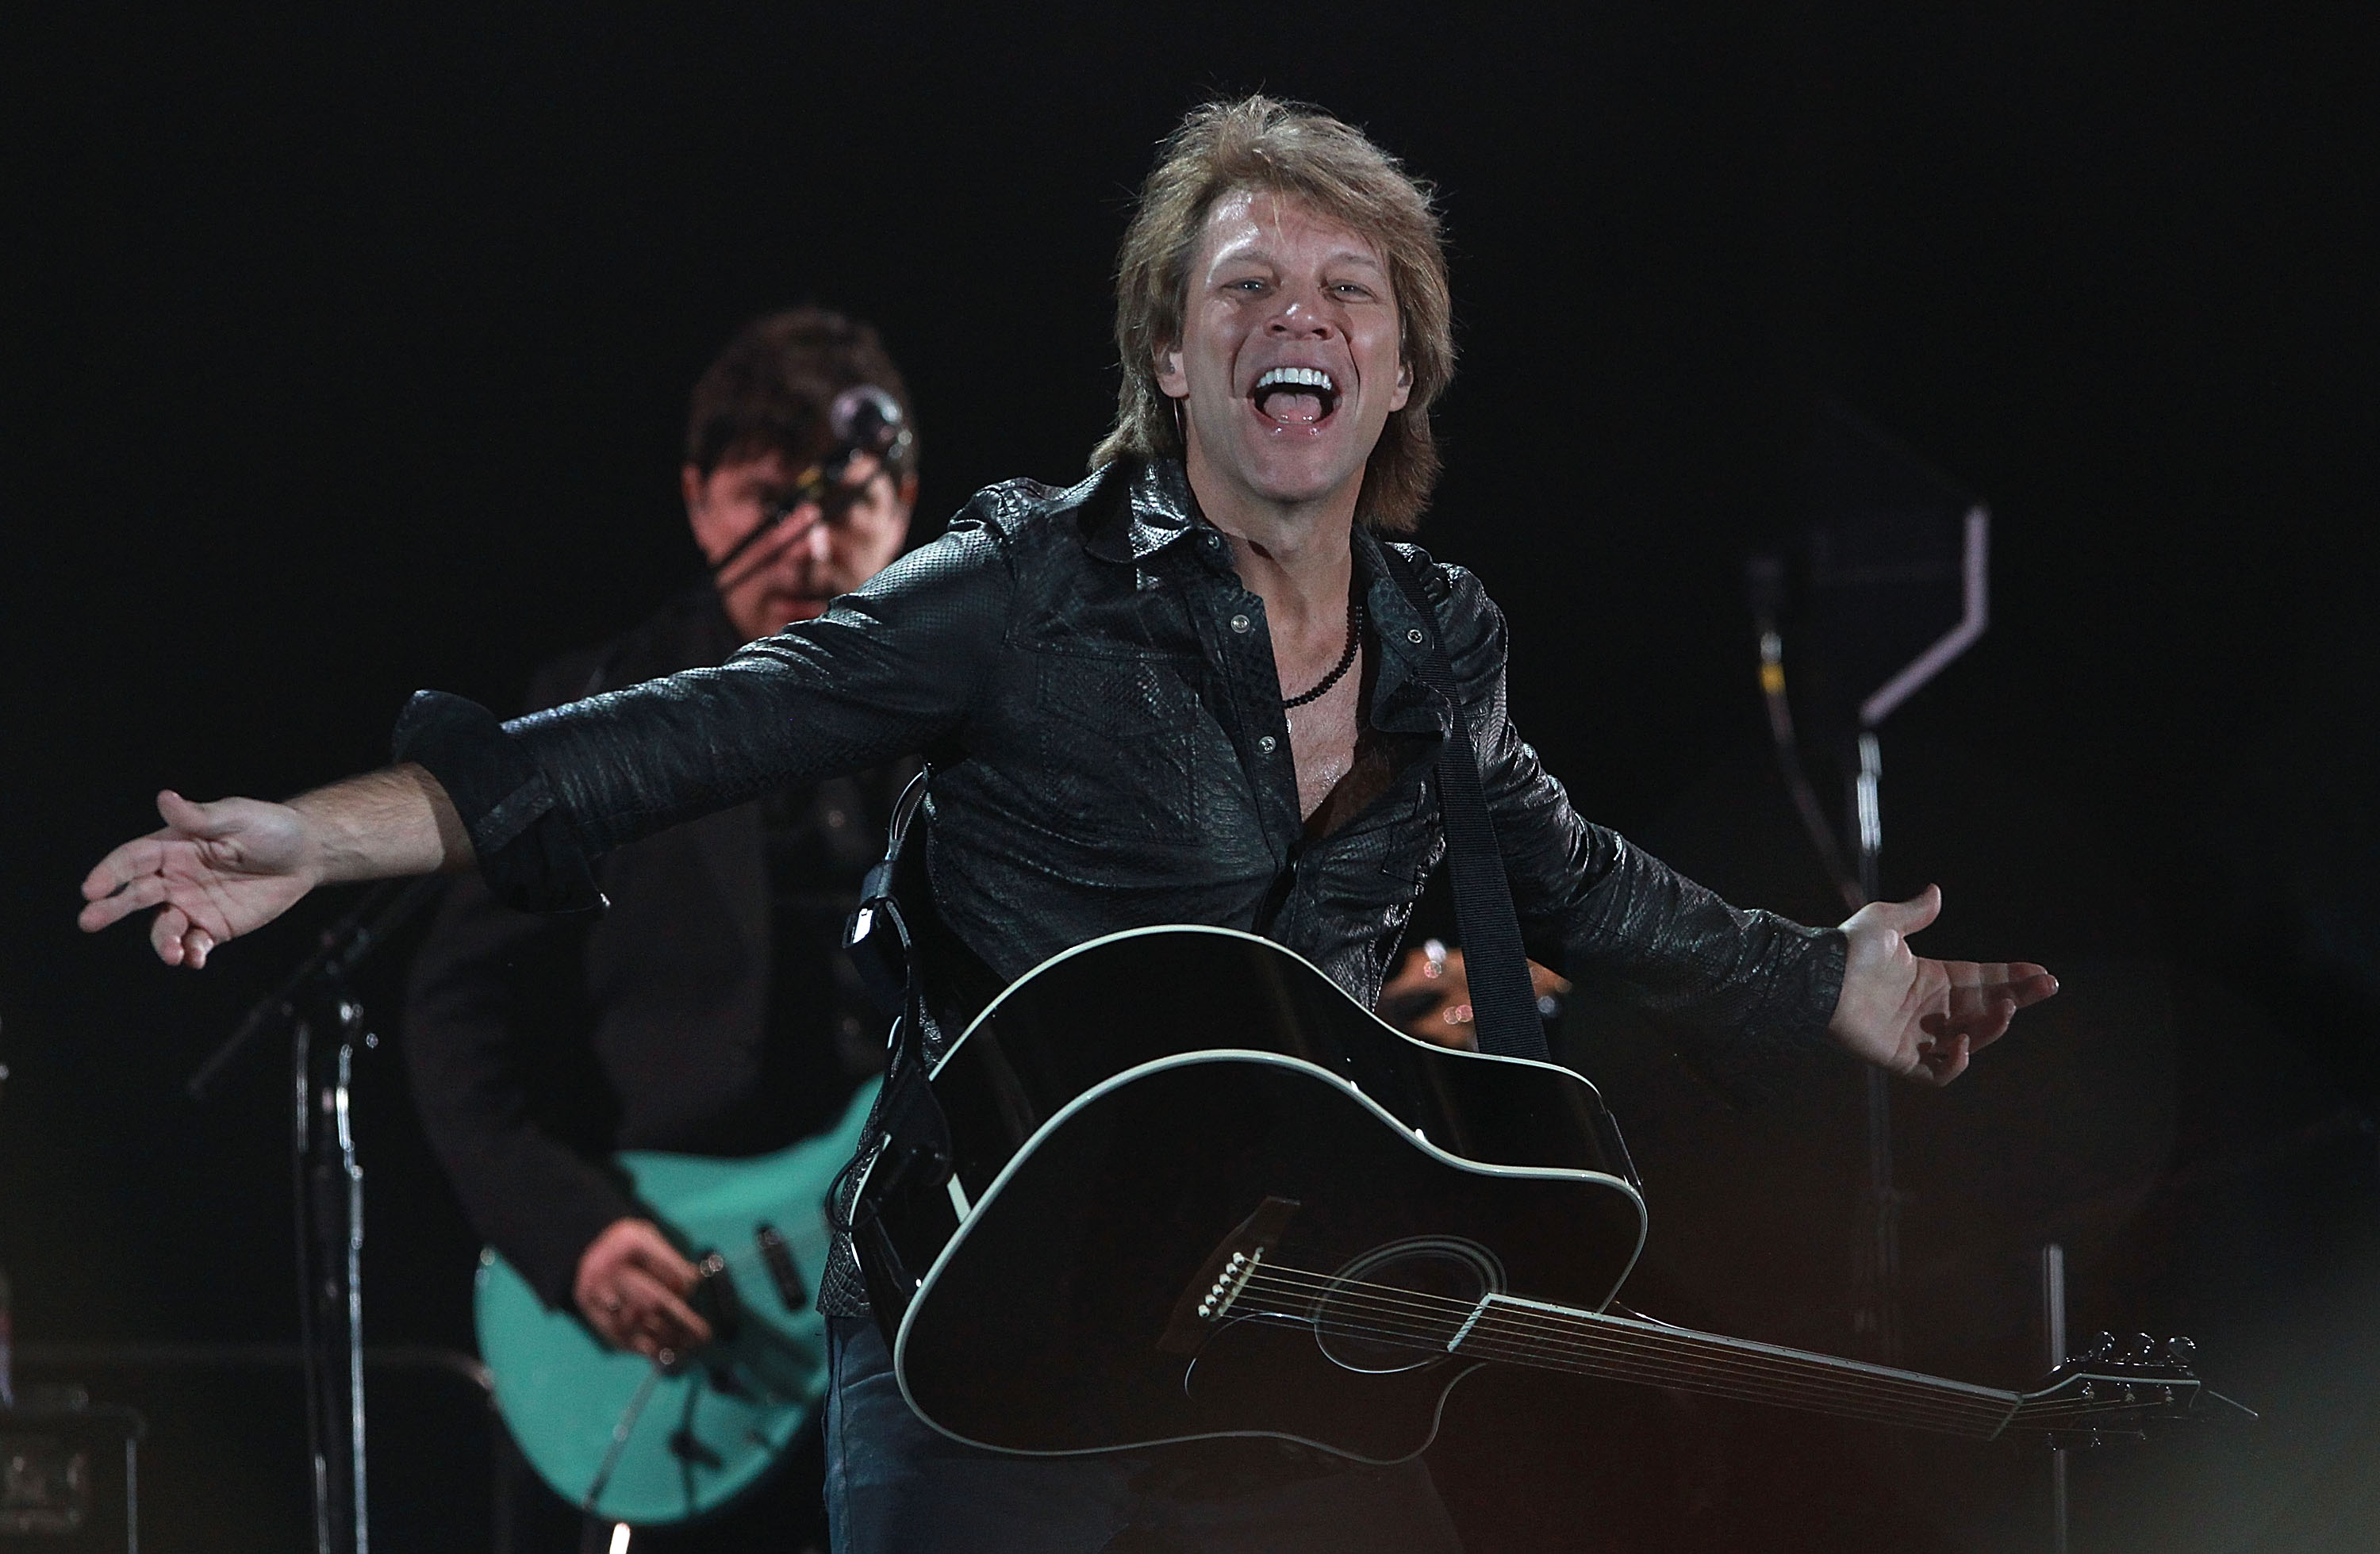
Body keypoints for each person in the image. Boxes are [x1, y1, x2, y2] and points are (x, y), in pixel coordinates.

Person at [79, 98, 2056, 1554]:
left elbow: (1576, 875)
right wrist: (328, 832)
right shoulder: (1026, 584)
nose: (1302, 314)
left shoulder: (1446, 638)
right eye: (1249, 284)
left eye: (1346, 290)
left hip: (1289, 1331)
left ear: (1395, 367)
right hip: (987, 1342)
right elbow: (686, 733)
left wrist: (1831, 986)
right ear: (1174, 354)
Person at [401, 307, 920, 1554]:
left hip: (925, 1336)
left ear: (906, 512)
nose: (809, 538)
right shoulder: (600, 715)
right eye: (767, 497)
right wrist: (574, 1238)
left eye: (849, 499)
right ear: (699, 504)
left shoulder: (964, 729)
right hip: (697, 1323)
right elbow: (452, 1010)